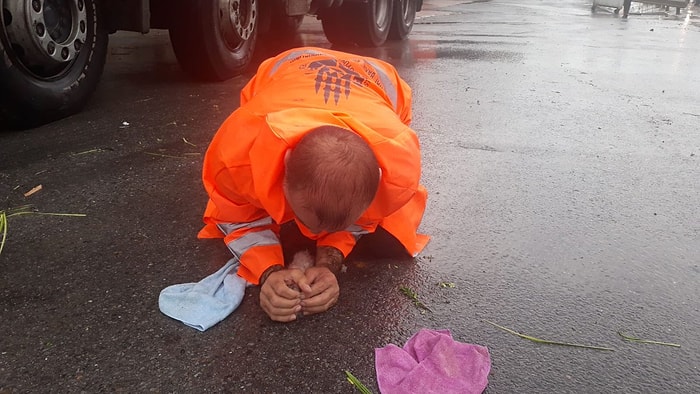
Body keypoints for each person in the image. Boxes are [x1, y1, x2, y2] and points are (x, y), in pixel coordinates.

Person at [198, 47, 429, 322]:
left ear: (379, 180)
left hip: (374, 86)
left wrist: (330, 262)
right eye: (306, 221)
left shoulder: (398, 162)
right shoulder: (237, 154)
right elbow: (236, 214)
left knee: (390, 238)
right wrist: (268, 272)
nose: (313, 235)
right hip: (285, 73)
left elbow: (369, 214)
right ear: (283, 173)